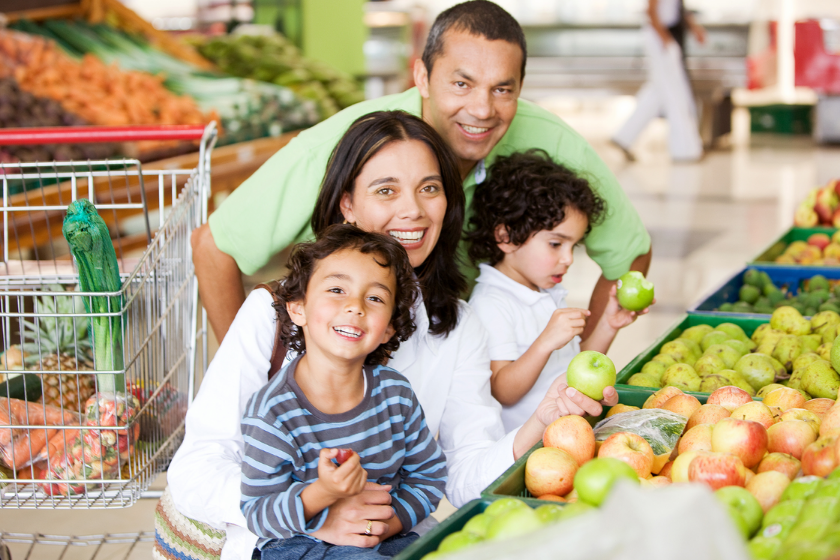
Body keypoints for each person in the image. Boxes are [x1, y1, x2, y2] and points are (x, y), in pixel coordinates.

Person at [164, 111, 618, 560]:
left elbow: (461, 475)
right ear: (347, 205)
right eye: (386, 190)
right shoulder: (275, 312)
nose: (413, 211)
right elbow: (195, 471)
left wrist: (541, 421)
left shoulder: (456, 326)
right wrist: (318, 511)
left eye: (429, 189)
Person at [192, 0, 651, 346]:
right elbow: (214, 248)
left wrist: (574, 370)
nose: (482, 109)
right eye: (461, 83)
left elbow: (630, 256)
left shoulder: (551, 141)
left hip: (468, 360)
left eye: (502, 89)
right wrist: (259, 381)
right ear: (422, 77)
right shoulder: (342, 146)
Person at [240, 225, 447, 559]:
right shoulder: (272, 411)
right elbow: (259, 512)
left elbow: (429, 475)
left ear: (389, 328)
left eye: (375, 298)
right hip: (298, 543)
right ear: (297, 307)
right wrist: (324, 492)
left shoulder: (395, 394)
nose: (355, 306)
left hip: (386, 535)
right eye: (337, 289)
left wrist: (384, 525)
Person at [466, 151, 652, 433]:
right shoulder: (492, 303)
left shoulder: (546, 291)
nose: (568, 259)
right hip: (531, 449)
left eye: (573, 246)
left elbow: (573, 370)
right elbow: (502, 389)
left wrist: (607, 325)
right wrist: (544, 343)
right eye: (556, 244)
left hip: (566, 432)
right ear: (505, 237)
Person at [611, 0, 707, 162]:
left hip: (666, 36)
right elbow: (651, 10)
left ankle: (624, 136)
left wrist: (694, 28)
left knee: (659, 91)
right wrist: (665, 39)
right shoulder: (663, 37)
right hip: (661, 37)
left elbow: (679, 9)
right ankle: (684, 150)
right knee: (675, 93)